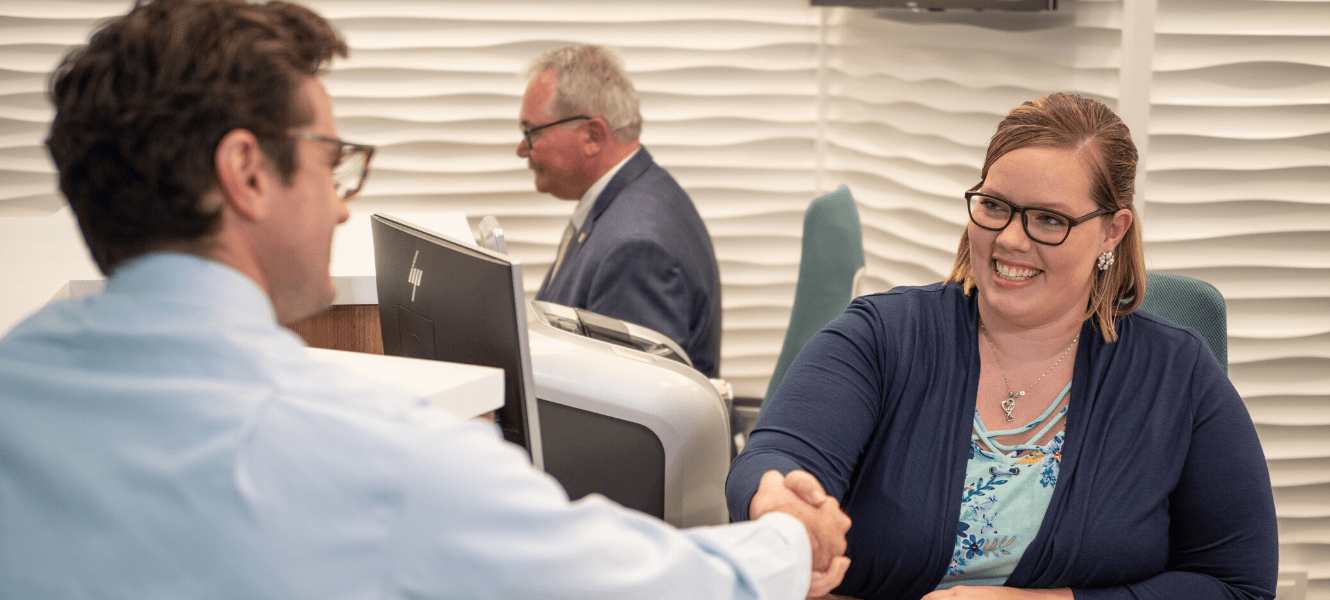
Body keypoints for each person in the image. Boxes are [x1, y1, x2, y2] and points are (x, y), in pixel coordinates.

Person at [0, 1, 852, 597]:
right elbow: (645, 587)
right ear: (248, 173)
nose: (340, 203)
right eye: (332, 161)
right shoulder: (366, 453)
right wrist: (788, 537)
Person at [726, 93, 1278, 600]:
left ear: (1112, 231)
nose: (1011, 239)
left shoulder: (1179, 376)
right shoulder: (882, 336)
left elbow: (1238, 584)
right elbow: (774, 459)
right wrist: (779, 503)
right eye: (994, 207)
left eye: (1048, 220)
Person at [517, 44, 724, 378]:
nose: (521, 149)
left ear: (593, 136)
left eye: (532, 132)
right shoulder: (631, 198)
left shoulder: (634, 248)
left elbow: (629, 412)